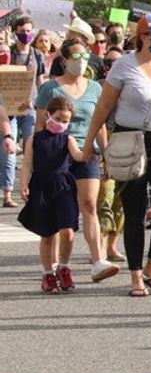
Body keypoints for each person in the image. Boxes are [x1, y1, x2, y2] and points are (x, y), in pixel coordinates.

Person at [84, 13, 151, 298]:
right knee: (134, 211)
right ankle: (135, 276)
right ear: (144, 37)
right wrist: (89, 144)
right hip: (129, 139)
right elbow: (104, 107)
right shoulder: (124, 66)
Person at [33, 37, 118, 283]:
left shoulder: (94, 88)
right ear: (64, 60)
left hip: (87, 152)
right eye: (76, 57)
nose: (81, 61)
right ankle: (55, 267)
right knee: (61, 214)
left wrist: (106, 156)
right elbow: (40, 126)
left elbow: (99, 124)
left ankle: (98, 260)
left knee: (90, 204)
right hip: (58, 155)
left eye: (84, 56)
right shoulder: (51, 88)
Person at [17, 96, 88, 294]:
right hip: (41, 186)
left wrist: (89, 150)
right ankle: (48, 274)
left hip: (63, 185)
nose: (61, 124)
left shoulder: (68, 138)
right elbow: (27, 164)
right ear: (48, 114)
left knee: (68, 231)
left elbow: (78, 156)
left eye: (66, 121)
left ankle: (64, 267)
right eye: (58, 119)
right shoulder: (35, 139)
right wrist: (23, 185)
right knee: (47, 234)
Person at [1, 16, 47, 208]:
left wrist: (42, 103)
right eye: (22, 31)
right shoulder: (8, 53)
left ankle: (31, 189)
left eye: (29, 31)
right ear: (15, 32)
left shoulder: (37, 55)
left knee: (32, 149)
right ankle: (8, 193)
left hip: (30, 109)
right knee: (9, 151)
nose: (26, 34)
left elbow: (41, 80)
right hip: (9, 109)